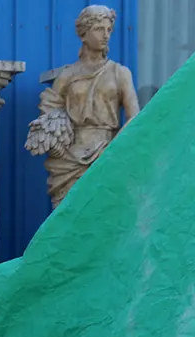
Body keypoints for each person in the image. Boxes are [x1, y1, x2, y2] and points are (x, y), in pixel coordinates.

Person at [25, 4, 140, 208]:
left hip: (106, 152)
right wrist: (56, 136)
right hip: (69, 158)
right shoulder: (67, 75)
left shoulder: (120, 73)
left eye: (109, 30)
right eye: (99, 29)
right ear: (83, 34)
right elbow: (50, 109)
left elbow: (134, 117)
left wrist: (114, 149)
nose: (105, 35)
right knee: (67, 216)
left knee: (103, 214)